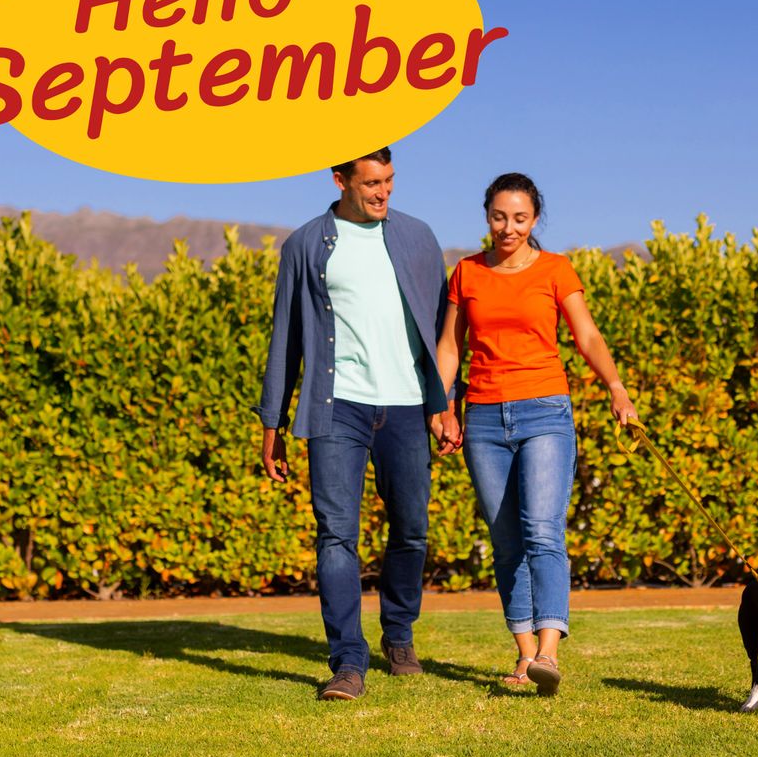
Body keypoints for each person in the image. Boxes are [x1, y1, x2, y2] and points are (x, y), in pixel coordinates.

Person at [256, 148, 459, 701]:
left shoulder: (418, 237)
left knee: (411, 529)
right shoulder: (304, 245)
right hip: (335, 406)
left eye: (389, 181)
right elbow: (286, 339)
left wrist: (445, 403)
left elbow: (445, 332)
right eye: (371, 183)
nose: (382, 193)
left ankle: (398, 636)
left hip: (407, 406)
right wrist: (272, 422)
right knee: (335, 534)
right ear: (340, 179)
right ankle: (348, 661)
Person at [435, 173, 638, 695]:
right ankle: (525, 656)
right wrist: (443, 407)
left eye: (520, 218)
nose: (509, 227)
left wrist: (615, 387)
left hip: (545, 410)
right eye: (499, 216)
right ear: (487, 216)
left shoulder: (555, 269)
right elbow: (451, 348)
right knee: (505, 543)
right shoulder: (467, 272)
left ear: (534, 219)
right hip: (482, 416)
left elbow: (586, 334)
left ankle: (549, 651)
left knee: (542, 531)